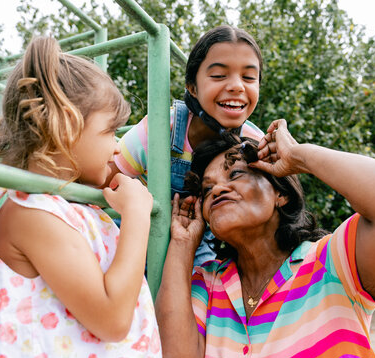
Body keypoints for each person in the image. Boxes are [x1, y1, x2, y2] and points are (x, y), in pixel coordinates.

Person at [0, 37, 161, 358]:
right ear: (65, 127)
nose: (118, 146)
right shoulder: (31, 215)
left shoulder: (54, 205)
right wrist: (136, 215)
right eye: (110, 132)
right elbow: (113, 320)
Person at [156, 119, 375, 358]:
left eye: (236, 173)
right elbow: (175, 356)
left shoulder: (332, 264)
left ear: (281, 194)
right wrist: (182, 244)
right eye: (207, 188)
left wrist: (299, 157)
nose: (218, 190)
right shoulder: (207, 285)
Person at [109, 25, 265, 266]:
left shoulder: (253, 143)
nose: (237, 86)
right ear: (192, 87)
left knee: (201, 292)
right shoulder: (161, 128)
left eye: (248, 77)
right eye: (219, 75)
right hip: (136, 229)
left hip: (199, 241)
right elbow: (106, 180)